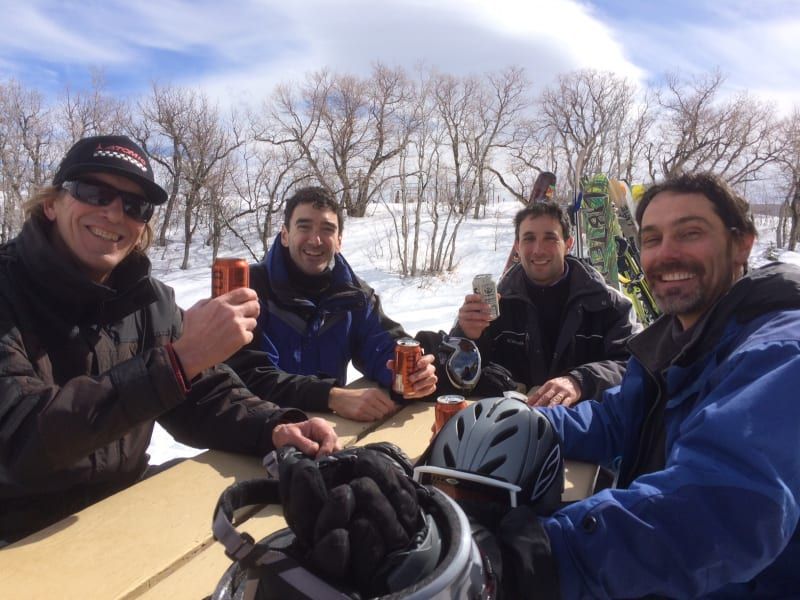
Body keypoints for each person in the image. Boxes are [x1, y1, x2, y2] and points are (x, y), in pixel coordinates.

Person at [0, 135, 339, 545]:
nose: (113, 213)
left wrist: (275, 425)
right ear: (52, 204)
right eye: (95, 192)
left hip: (120, 506)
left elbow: (204, 395)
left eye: (134, 205)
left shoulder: (147, 298)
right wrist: (176, 362)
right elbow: (21, 442)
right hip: (16, 528)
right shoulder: (8, 289)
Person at [489, 172, 800, 597]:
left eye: (690, 233)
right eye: (652, 239)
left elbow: (721, 507)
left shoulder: (780, 351)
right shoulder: (679, 340)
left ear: (742, 243)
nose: (667, 254)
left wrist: (538, 558)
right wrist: (519, 425)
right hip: (645, 561)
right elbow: (613, 418)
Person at [227, 186, 437, 422]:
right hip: (256, 432)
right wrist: (330, 396)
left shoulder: (353, 295)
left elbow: (381, 346)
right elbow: (245, 377)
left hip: (330, 433)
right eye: (304, 227)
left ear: (339, 241)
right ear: (285, 235)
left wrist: (412, 374)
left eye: (327, 229)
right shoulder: (248, 289)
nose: (315, 240)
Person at [454, 202, 638, 407]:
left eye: (550, 238)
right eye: (529, 238)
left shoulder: (609, 305)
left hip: (587, 430)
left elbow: (635, 364)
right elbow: (460, 374)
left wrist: (580, 381)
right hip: (510, 428)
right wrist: (465, 336)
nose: (538, 250)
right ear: (517, 246)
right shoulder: (494, 306)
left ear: (568, 244)